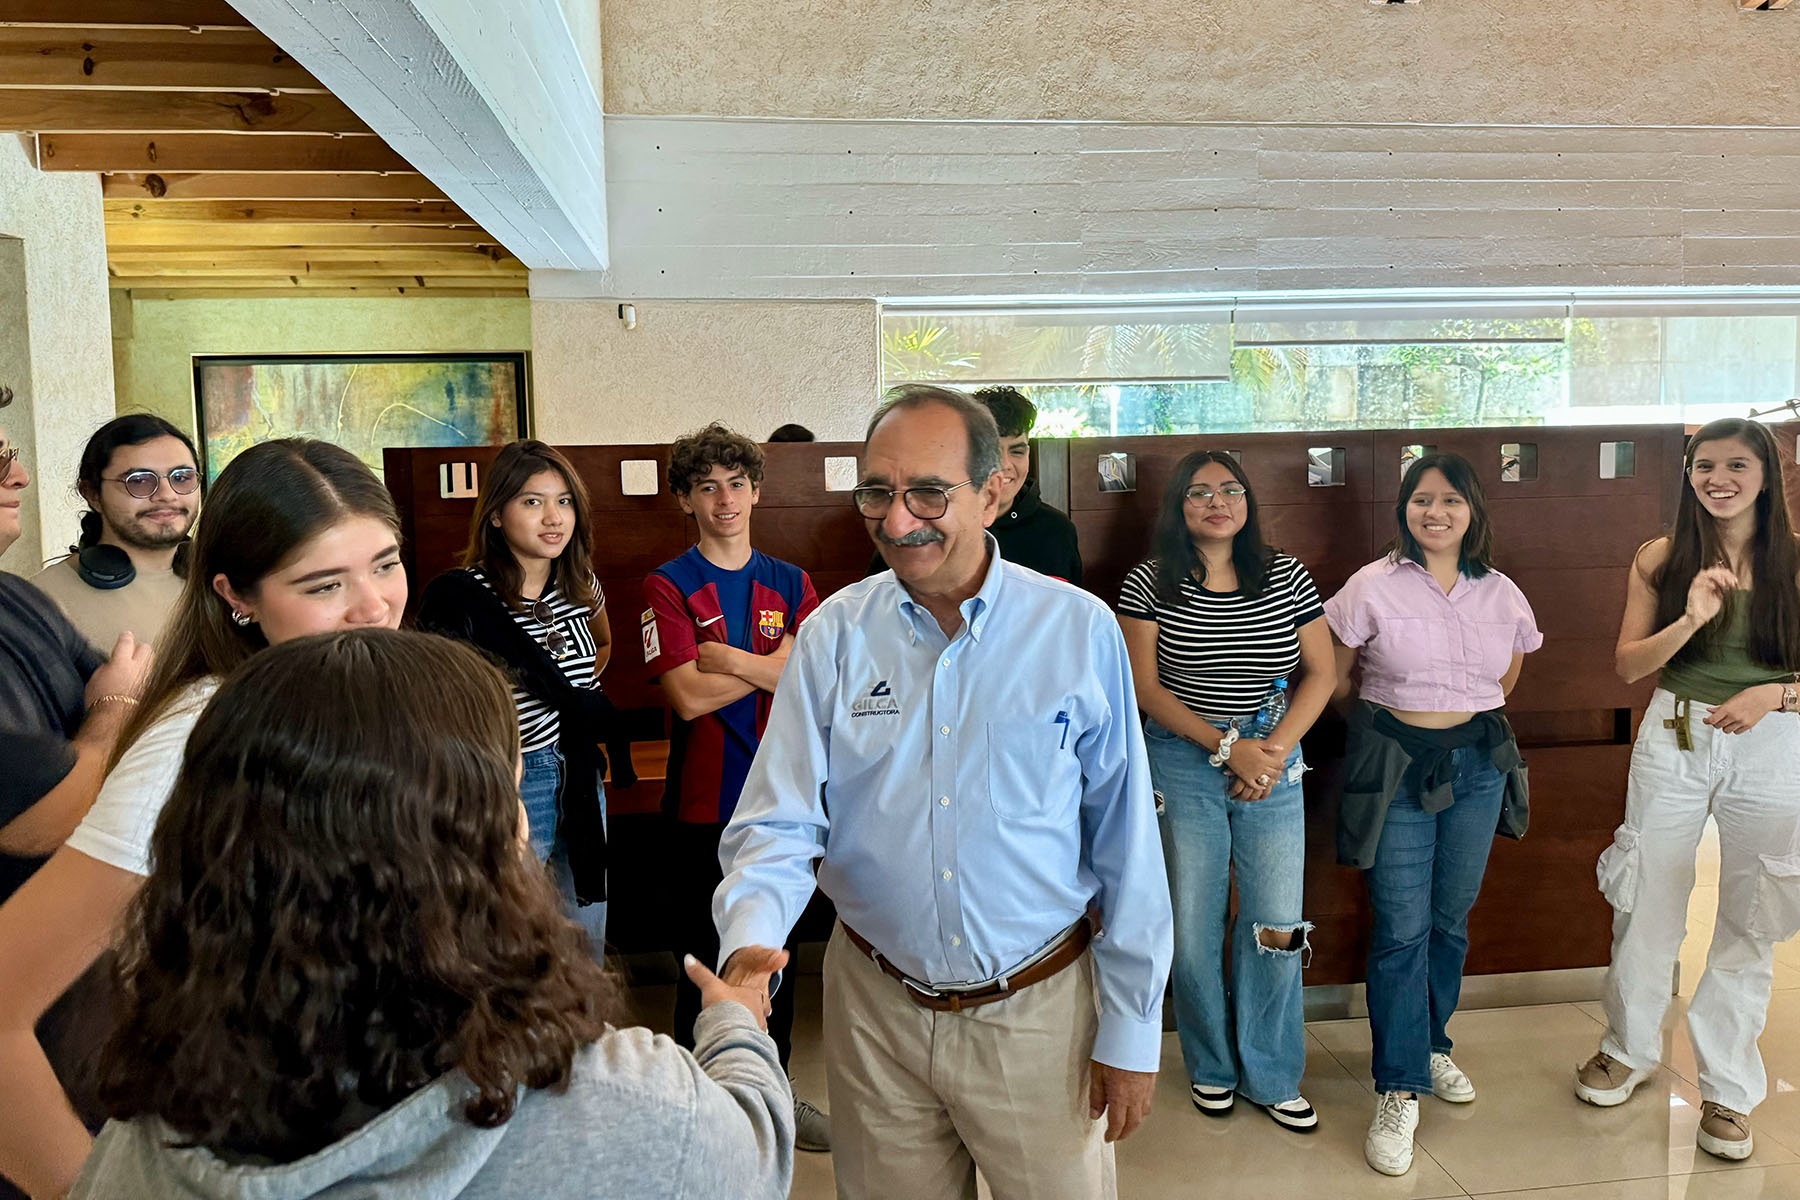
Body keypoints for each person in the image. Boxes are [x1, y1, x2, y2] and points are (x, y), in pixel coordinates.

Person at [69, 628, 796, 1200]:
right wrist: (735, 1022)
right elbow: (751, 1157)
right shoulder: (625, 1105)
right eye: (508, 796)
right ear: (463, 851)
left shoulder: (148, 1135)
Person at [714, 384, 1173, 1200]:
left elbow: (1126, 840)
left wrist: (1133, 1029)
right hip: (875, 1012)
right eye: (877, 493)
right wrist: (750, 949)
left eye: (928, 491)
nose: (897, 521)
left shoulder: (1076, 630)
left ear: (996, 490)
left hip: (1039, 1013)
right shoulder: (835, 635)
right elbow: (779, 821)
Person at [0, 439, 407, 1200]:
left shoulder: (361, 699)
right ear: (236, 596)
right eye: (324, 584)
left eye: (385, 563)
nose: (374, 606)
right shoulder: (197, 739)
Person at [1576, 418, 1800, 1163]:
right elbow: (1630, 667)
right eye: (1704, 465)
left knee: (1751, 911)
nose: (1719, 478)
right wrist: (1691, 619)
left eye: (1737, 464)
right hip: (1674, 729)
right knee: (1649, 895)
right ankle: (1627, 1046)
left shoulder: (1796, 563)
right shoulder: (1662, 556)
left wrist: (1776, 695)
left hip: (1770, 739)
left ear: (1767, 474)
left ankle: (1729, 1089)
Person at [1324, 452, 1541, 1177]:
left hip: (1478, 766)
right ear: (1404, 510)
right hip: (1398, 769)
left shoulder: (1501, 590)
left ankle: (1432, 1043)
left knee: (1450, 917)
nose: (1435, 512)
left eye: (1450, 500)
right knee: (1401, 926)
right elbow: (1332, 669)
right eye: (1422, 500)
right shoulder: (1372, 585)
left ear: (1473, 510)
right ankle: (1399, 1086)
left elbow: (1507, 673)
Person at [1116, 449, 1334, 1132]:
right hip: (1182, 760)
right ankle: (1212, 1066)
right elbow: (1144, 690)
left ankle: (1271, 1073)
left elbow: (1321, 674)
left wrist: (1267, 757)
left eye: (1231, 490)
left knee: (1274, 925)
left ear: (1248, 502)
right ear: (1178, 505)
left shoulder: (1286, 575)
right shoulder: (1149, 582)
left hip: (1272, 754)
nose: (1218, 502)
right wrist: (1224, 749)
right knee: (1192, 925)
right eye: (1200, 492)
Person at [641, 423, 829, 1152]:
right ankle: (702, 1113)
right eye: (707, 486)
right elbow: (685, 697)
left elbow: (809, 682)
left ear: (757, 490)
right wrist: (769, 662)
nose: (725, 499)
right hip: (702, 806)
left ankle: (772, 1097)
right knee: (704, 965)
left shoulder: (792, 581)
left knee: (770, 961)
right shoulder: (668, 582)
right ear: (686, 499)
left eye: (737, 483)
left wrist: (729, 659)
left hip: (782, 805)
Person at [418, 439, 613, 952]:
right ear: (497, 515)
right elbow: (444, 705)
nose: (553, 517)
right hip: (515, 777)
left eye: (564, 501)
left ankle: (586, 1033)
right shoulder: (464, 596)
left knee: (583, 935)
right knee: (512, 941)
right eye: (532, 501)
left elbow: (600, 650)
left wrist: (579, 700)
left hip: (581, 773)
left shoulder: (581, 585)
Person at [32, 415, 199, 654]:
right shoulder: (44, 600)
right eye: (139, 481)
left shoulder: (225, 584)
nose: (167, 495)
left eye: (182, 478)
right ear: (92, 494)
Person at [973, 385, 1082, 584]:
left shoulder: (1057, 530)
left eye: (1017, 451)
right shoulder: (947, 525)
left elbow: (1071, 612)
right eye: (991, 452)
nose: (1004, 465)